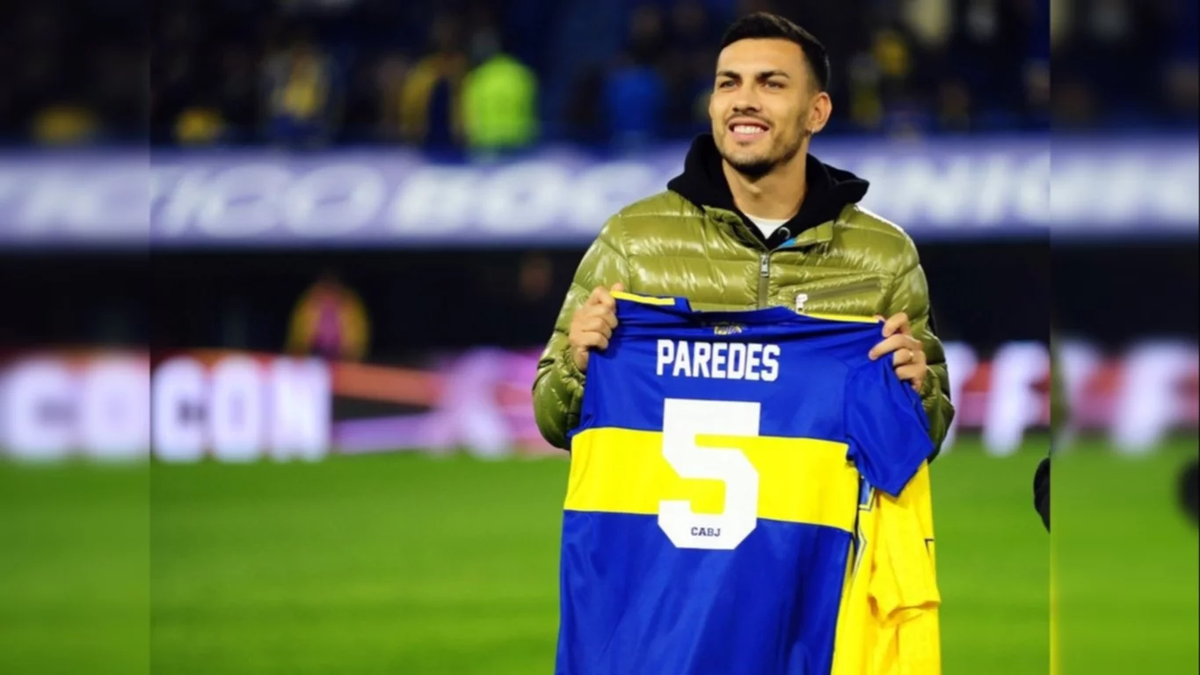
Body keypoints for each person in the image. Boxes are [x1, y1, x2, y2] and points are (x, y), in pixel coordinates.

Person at [533, 12, 954, 454]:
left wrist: (918, 391)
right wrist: (576, 366)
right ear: (712, 104)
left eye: (771, 84)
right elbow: (553, 420)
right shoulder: (632, 241)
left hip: (818, 504)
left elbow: (923, 438)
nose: (744, 100)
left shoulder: (885, 256)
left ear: (817, 112)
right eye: (728, 83)